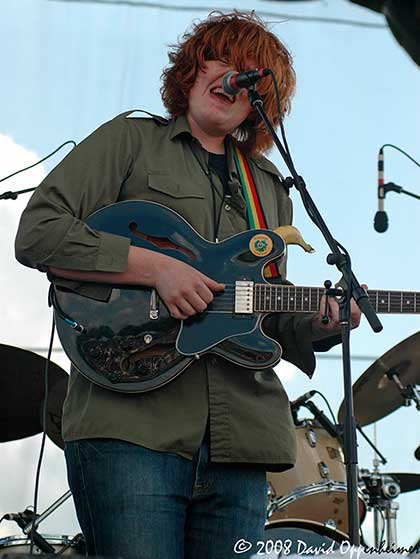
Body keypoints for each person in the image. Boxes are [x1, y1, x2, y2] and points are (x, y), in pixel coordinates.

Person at [15, 11, 362, 559]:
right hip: (130, 428)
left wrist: (318, 321)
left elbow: (258, 305)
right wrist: (155, 269)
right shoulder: (129, 141)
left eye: (252, 74)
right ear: (194, 68)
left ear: (260, 104)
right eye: (223, 59)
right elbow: (39, 232)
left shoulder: (268, 186)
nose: (233, 77)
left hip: (241, 445)